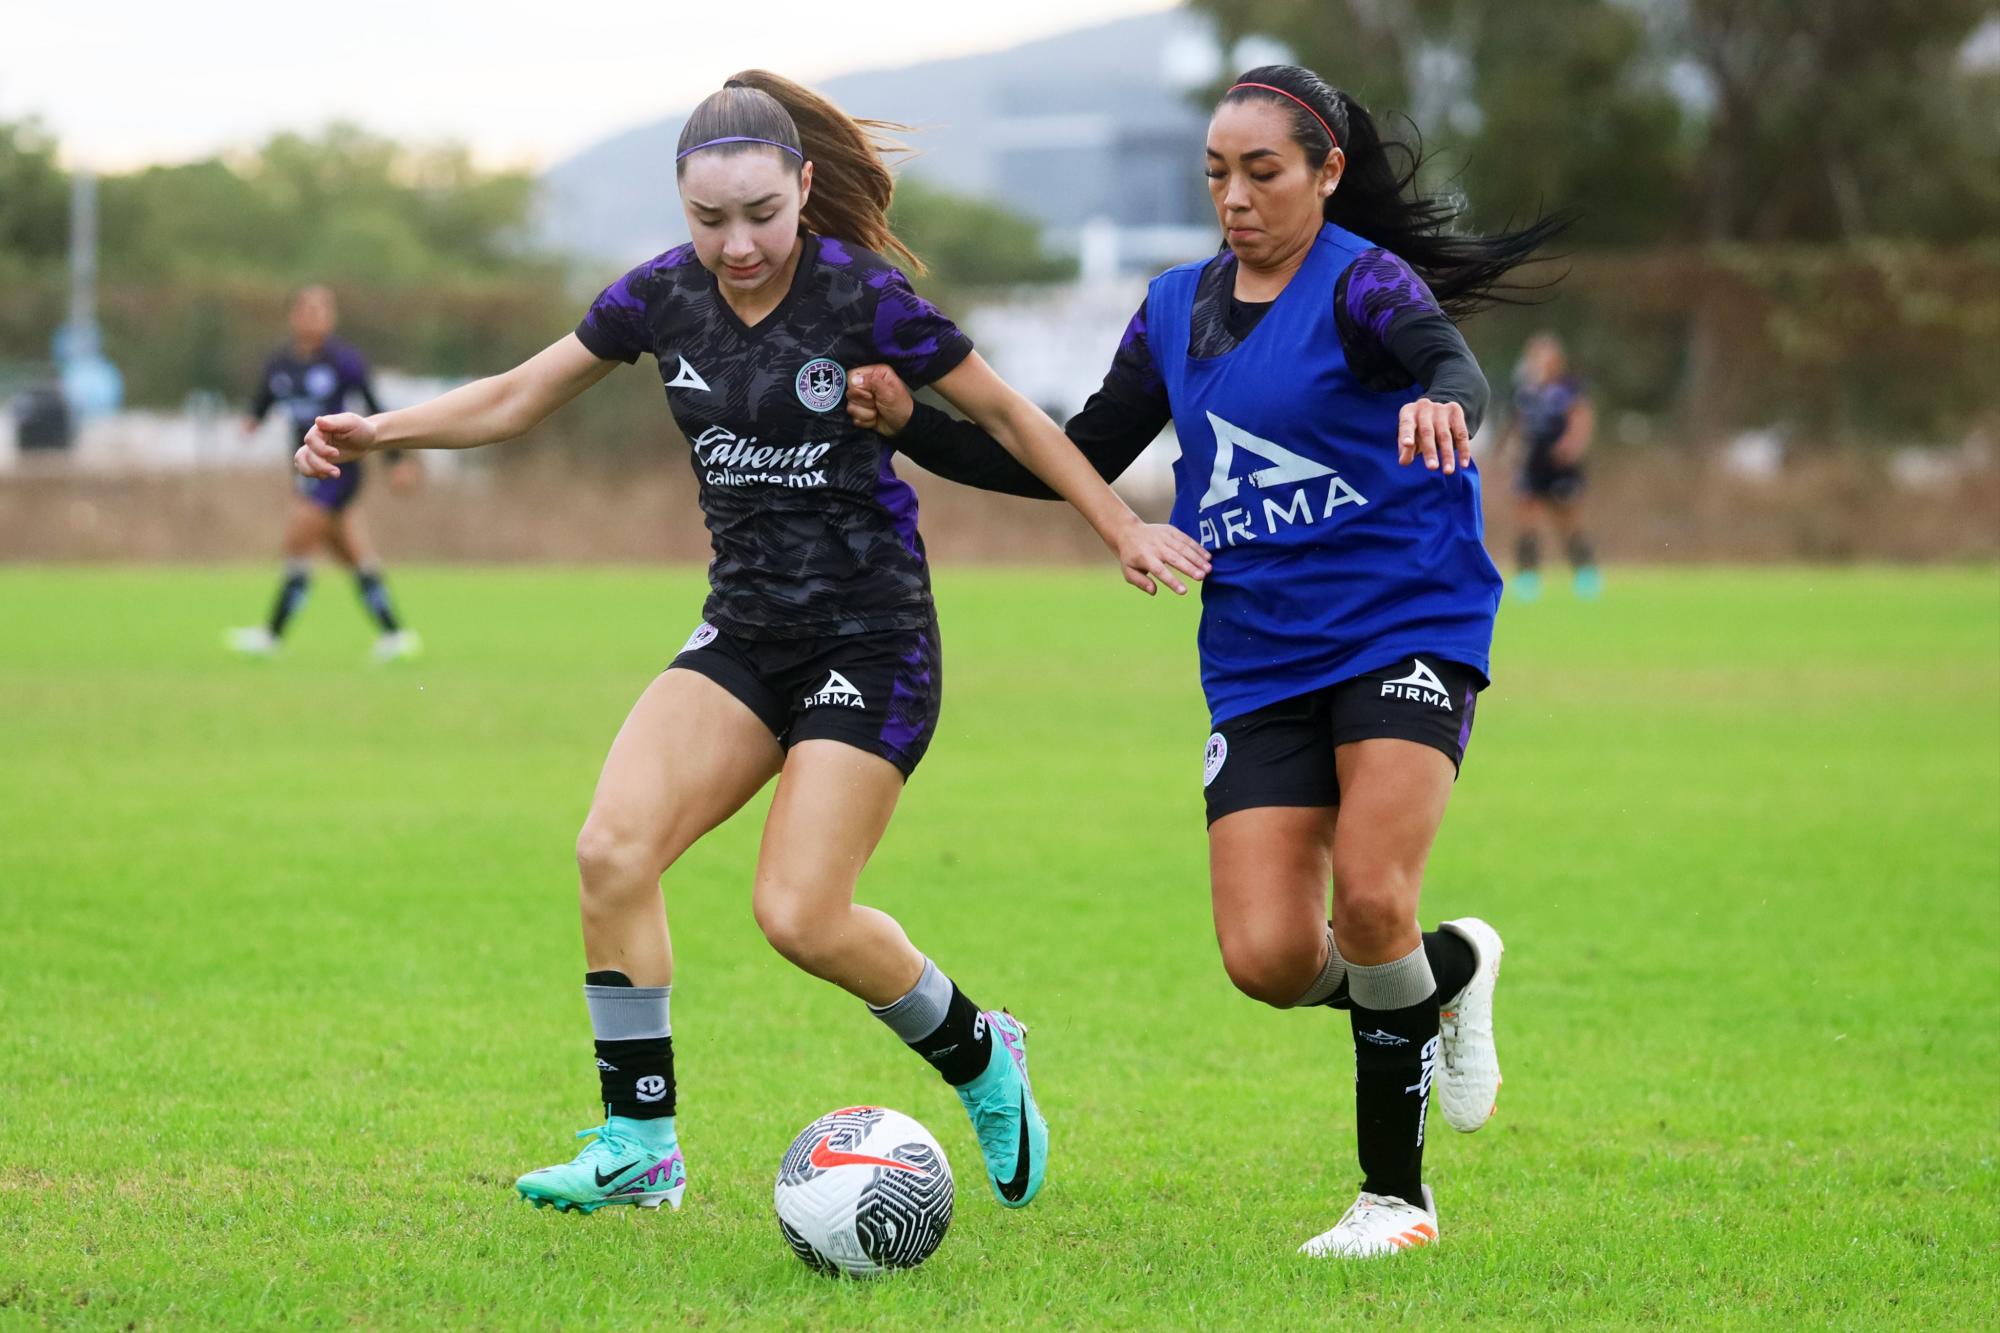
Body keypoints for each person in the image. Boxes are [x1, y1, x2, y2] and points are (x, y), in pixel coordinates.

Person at [293, 71, 1209, 1217]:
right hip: (744, 631)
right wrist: (379, 427)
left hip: (870, 641)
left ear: (804, 188)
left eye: (760, 216)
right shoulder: (656, 300)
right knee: (610, 850)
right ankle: (640, 1146)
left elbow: (1011, 418)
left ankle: (980, 1050)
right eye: (707, 218)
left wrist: (1120, 523)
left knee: (799, 915)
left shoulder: (862, 299)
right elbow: (518, 397)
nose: (735, 244)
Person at [844, 64, 1566, 1259]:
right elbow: (1069, 459)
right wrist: (914, 426)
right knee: (1269, 958)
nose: (1234, 196)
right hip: (1258, 656)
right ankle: (1444, 973)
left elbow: (1451, 365)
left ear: (1326, 174)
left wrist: (1445, 399)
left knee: (1371, 897)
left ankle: (1395, 1203)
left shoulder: (1361, 283)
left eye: (1261, 172)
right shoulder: (1173, 307)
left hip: (1405, 623)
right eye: (1216, 175)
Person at [229, 285, 421, 661]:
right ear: (294, 316)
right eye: (307, 309)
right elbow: (264, 400)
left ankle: (271, 635)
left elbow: (375, 407)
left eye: (322, 310)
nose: (314, 317)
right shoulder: (280, 363)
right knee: (352, 554)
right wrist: (251, 421)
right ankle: (395, 634)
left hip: (338, 469)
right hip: (304, 469)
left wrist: (396, 461)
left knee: (297, 542)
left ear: (331, 319)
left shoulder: (345, 362)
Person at [1500, 332, 1599, 600]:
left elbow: (1582, 418)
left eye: (1546, 354)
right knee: (1526, 518)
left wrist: (1572, 445)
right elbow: (1518, 425)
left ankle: (1585, 575)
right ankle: (1528, 577)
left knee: (1566, 519)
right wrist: (1512, 452)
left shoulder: (1569, 387)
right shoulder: (1525, 390)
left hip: (1561, 463)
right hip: (1533, 462)